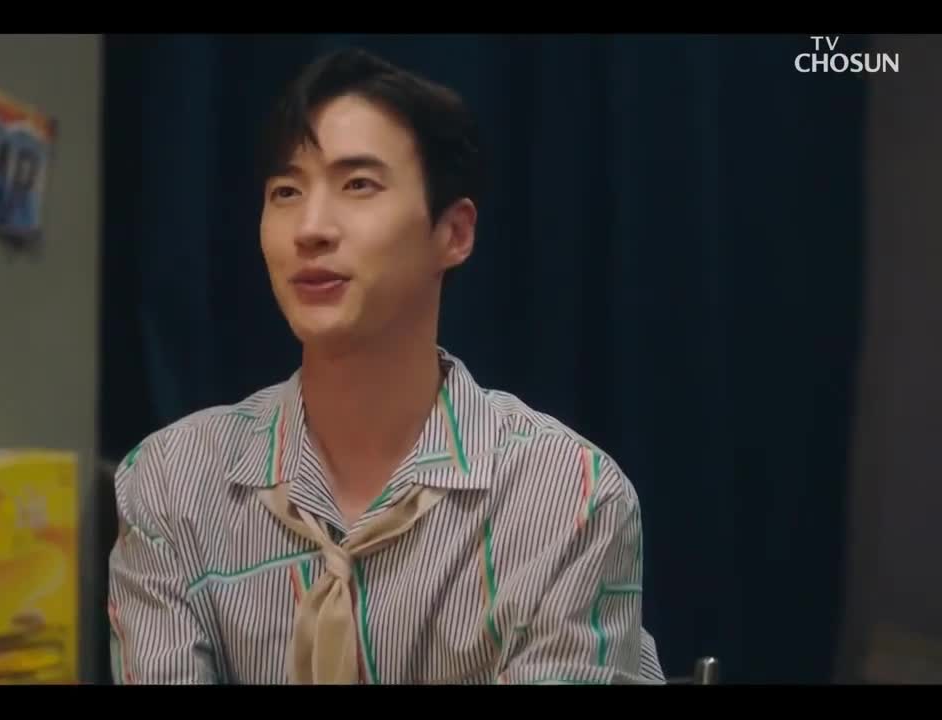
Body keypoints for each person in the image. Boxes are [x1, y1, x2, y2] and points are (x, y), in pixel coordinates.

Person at [107, 47, 666, 685]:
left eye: (358, 185)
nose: (310, 228)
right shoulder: (171, 485)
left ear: (453, 233)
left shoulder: (568, 497)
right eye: (286, 192)